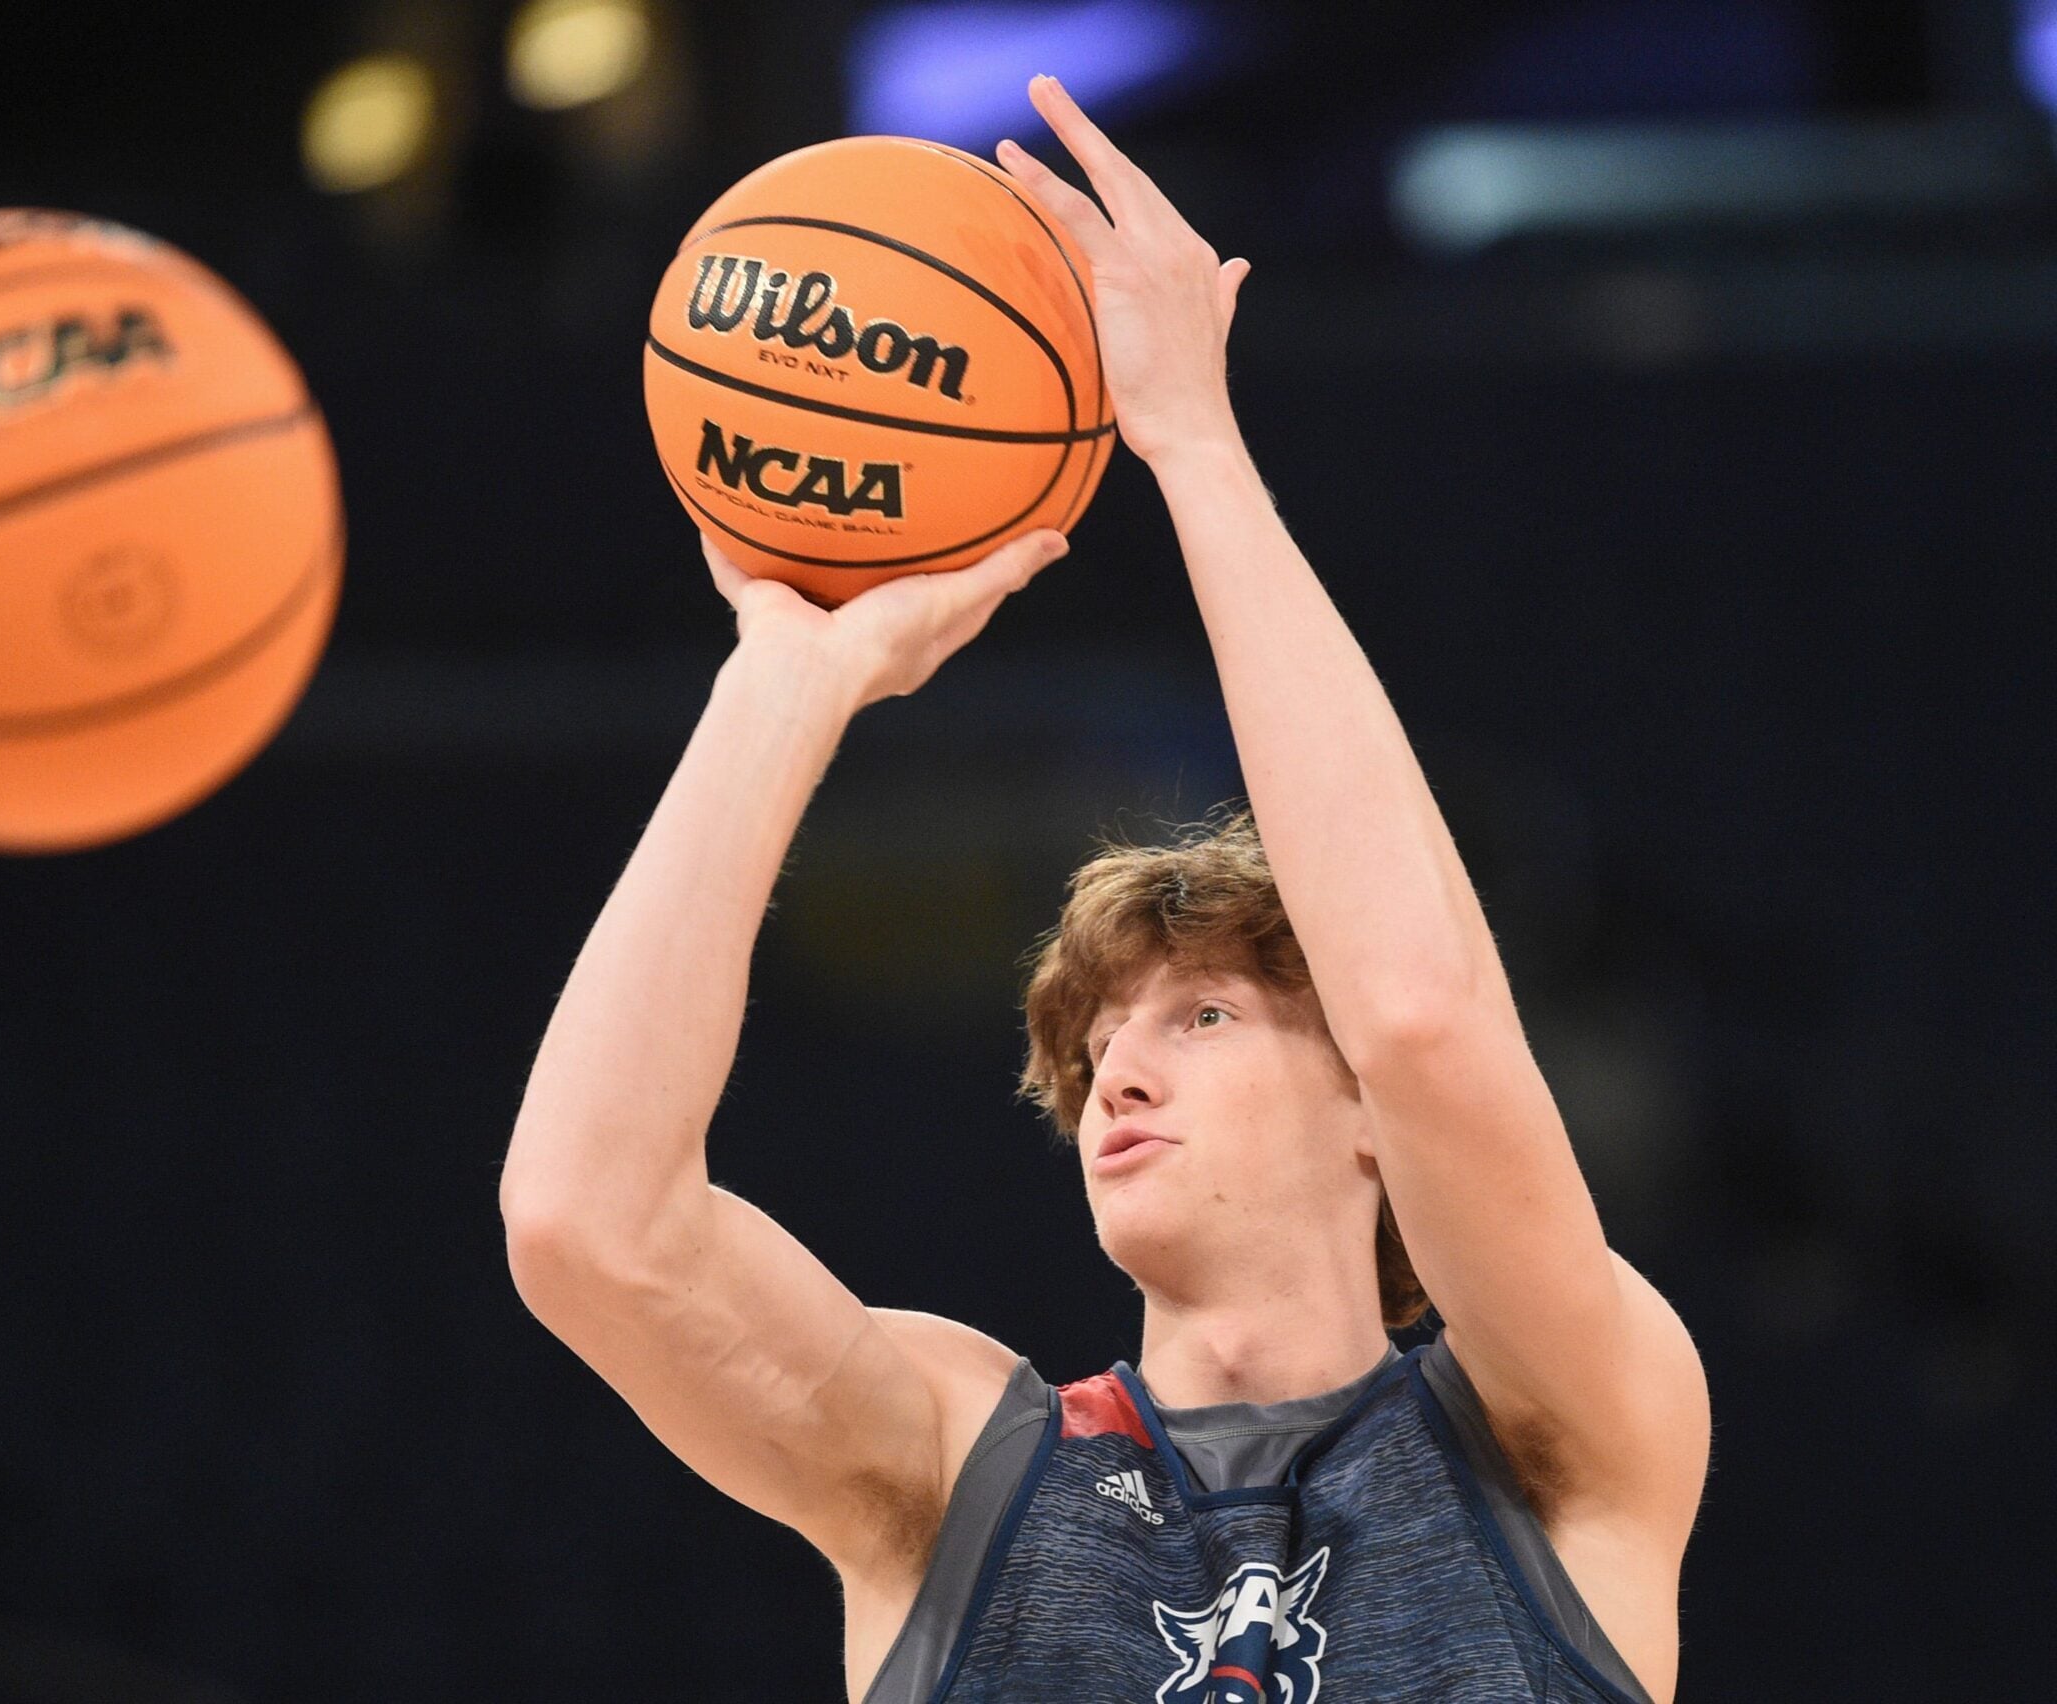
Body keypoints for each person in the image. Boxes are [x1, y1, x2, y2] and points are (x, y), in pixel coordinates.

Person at [500, 75, 1709, 1704]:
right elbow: (586, 1221)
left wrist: (1195, 449)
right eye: (1098, 1053)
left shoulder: (1564, 1431)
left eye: (1206, 1012)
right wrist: (782, 677)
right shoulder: (954, 1467)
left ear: (1371, 1122)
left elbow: (1420, 1012)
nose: (1118, 1073)